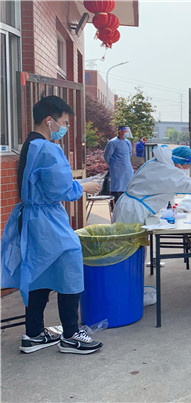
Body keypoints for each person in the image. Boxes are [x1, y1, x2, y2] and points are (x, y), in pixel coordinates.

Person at [1, 95, 104, 354]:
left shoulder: (29, 144)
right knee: (70, 265)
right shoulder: (48, 149)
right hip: (47, 219)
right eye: (64, 122)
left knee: (40, 273)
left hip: (33, 217)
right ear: (50, 121)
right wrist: (85, 186)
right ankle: (71, 335)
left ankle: (34, 333)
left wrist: (76, 184)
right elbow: (61, 188)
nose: (65, 128)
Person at [112, 145, 191, 224]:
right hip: (133, 211)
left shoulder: (158, 163)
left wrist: (172, 206)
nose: (189, 168)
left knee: (128, 245)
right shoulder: (169, 170)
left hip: (130, 206)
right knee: (128, 245)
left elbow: (163, 188)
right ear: (181, 162)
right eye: (188, 165)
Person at [103, 125, 134, 206]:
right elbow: (107, 156)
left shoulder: (128, 142)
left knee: (128, 187)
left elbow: (129, 154)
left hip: (127, 168)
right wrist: (113, 165)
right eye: (125, 130)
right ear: (120, 131)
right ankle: (115, 206)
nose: (126, 132)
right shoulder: (113, 142)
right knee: (117, 187)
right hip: (117, 169)